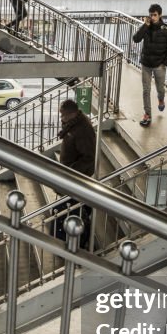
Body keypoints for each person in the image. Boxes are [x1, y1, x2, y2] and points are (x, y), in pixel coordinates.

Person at [52, 99, 96, 246]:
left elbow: (88, 157)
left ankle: (76, 238)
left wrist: (70, 172)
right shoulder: (73, 125)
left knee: (69, 206)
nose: (61, 118)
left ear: (72, 114)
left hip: (75, 175)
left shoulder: (82, 130)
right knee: (75, 204)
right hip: (70, 173)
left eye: (63, 115)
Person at [132, 3, 167, 127]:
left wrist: (165, 62)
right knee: (146, 90)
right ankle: (147, 115)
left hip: (159, 65)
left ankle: (161, 99)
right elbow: (136, 39)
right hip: (146, 64)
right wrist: (144, 26)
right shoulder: (146, 27)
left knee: (160, 89)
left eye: (155, 15)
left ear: (160, 15)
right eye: (151, 15)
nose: (152, 17)